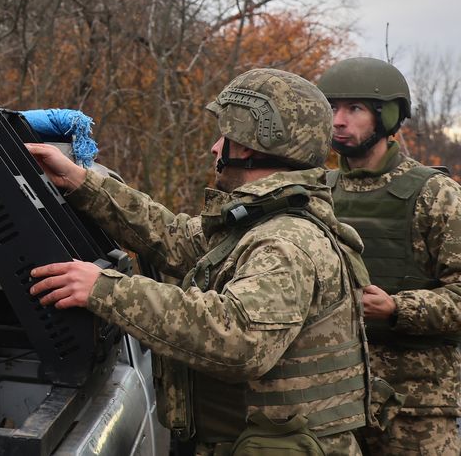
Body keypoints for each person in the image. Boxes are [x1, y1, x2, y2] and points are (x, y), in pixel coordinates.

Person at [28, 69, 369, 455]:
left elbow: (239, 337)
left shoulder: (287, 240)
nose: (214, 147)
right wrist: (80, 182)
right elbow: (172, 237)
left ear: (252, 144)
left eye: (225, 136)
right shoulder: (258, 222)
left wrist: (104, 290)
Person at [318, 57, 461, 454]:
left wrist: (398, 308)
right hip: (332, 403)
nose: (339, 121)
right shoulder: (319, 192)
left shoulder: (436, 195)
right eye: (332, 109)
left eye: (355, 109)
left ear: (389, 116)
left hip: (416, 410)